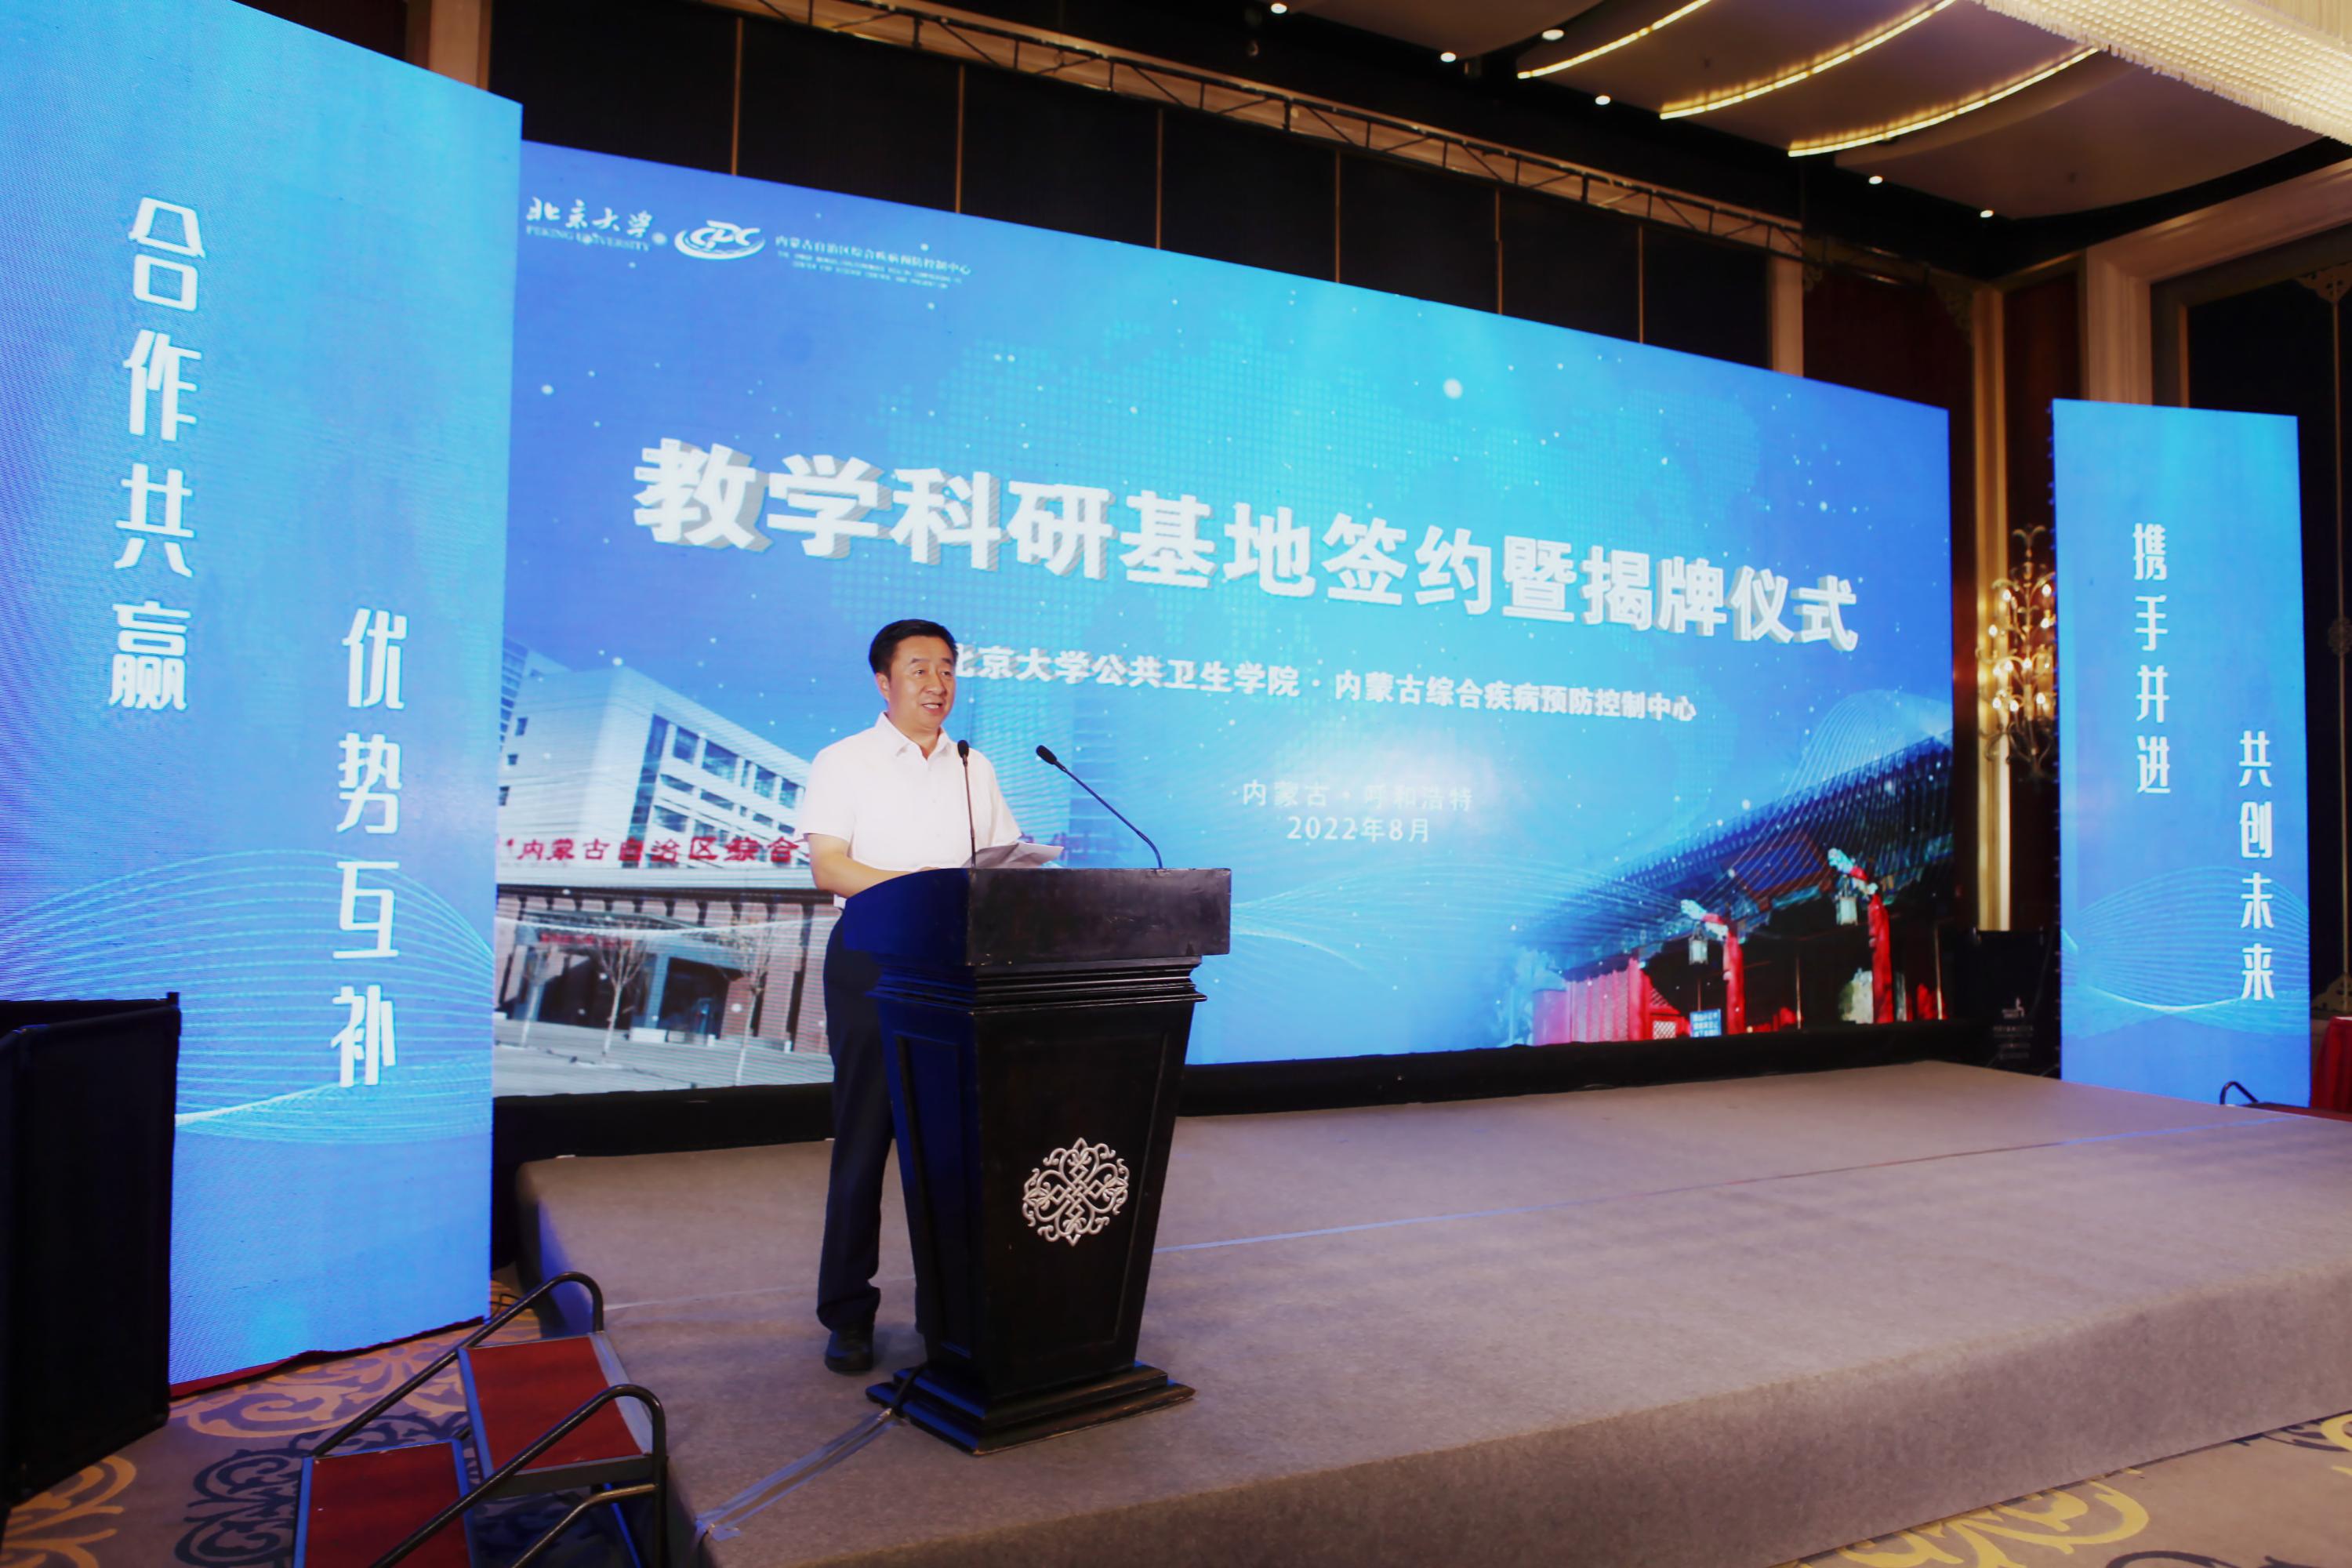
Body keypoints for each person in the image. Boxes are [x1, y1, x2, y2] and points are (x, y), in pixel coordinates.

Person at [798, 618, 1020, 1374]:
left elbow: (1000, 862)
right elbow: (830, 867)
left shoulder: (973, 766)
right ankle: (847, 1313)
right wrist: (923, 892)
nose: (938, 683)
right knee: (865, 1138)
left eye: (948, 669)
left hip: (957, 968)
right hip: (874, 960)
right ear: (884, 682)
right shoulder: (844, 760)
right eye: (920, 668)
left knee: (954, 1149)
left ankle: (948, 1315)